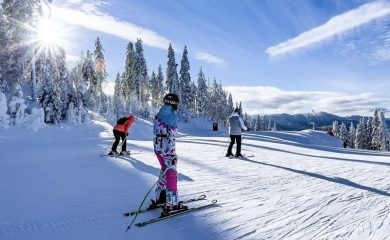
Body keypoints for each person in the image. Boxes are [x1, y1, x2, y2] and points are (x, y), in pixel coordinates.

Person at [150, 93, 183, 212]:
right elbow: (171, 135)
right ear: (174, 103)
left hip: (157, 147)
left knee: (164, 170)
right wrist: (172, 153)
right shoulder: (173, 117)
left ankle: (161, 197)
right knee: (171, 173)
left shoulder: (159, 114)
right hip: (167, 148)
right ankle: (172, 202)